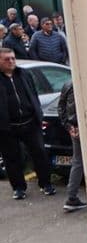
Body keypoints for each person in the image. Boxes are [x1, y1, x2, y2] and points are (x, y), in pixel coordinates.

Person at [0, 48, 54, 199]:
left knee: (39, 153)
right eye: (6, 59)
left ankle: (46, 183)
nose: (11, 61)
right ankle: (18, 187)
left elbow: (33, 94)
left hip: (30, 122)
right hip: (8, 127)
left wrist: (38, 114)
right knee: (12, 158)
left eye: (12, 58)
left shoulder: (24, 74)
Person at [57, 82, 87, 212]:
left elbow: (61, 106)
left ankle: (72, 196)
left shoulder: (68, 84)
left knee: (78, 161)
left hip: (75, 128)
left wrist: (69, 126)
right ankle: (72, 197)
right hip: (83, 127)